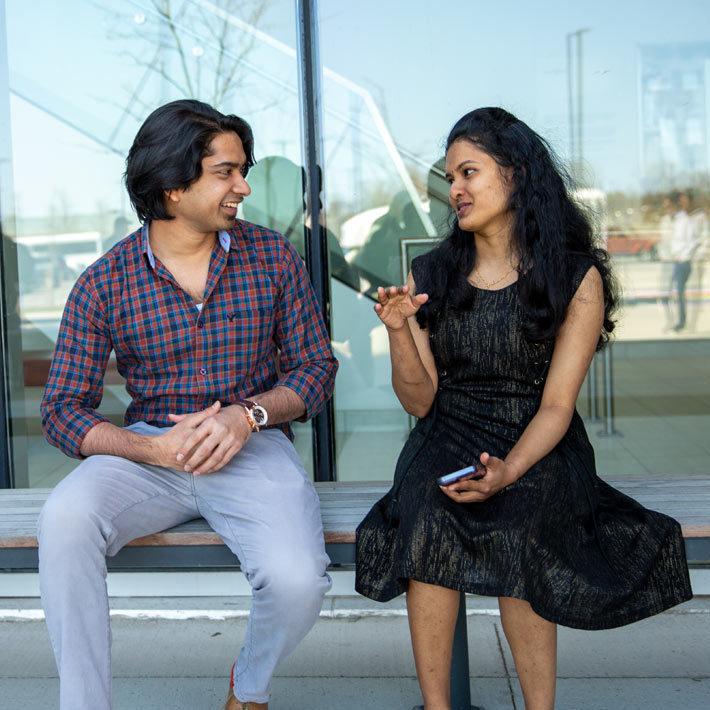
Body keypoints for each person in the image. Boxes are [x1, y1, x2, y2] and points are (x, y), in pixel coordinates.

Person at [355, 107, 692, 710]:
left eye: (469, 173)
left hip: (539, 440)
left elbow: (558, 405)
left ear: (515, 174)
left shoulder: (573, 276)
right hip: (447, 430)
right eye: (450, 178)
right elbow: (420, 401)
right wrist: (399, 332)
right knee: (428, 513)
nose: (455, 189)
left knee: (521, 524)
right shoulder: (431, 272)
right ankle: (438, 708)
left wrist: (510, 469)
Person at [38, 99, 338, 710]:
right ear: (174, 187)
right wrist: (152, 448)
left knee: (299, 579)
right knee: (64, 519)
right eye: (225, 172)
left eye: (242, 169)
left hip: (250, 446)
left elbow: (316, 368)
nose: (243, 186)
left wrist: (246, 414)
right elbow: (62, 410)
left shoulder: (272, 257)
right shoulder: (105, 282)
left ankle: (248, 688)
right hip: (146, 456)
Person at [670, 190, 700, 331]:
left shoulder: (689, 220)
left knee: (681, 293)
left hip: (683, 261)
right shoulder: (678, 219)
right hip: (677, 260)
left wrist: (683, 256)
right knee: (678, 293)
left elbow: (694, 241)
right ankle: (681, 322)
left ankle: (683, 323)